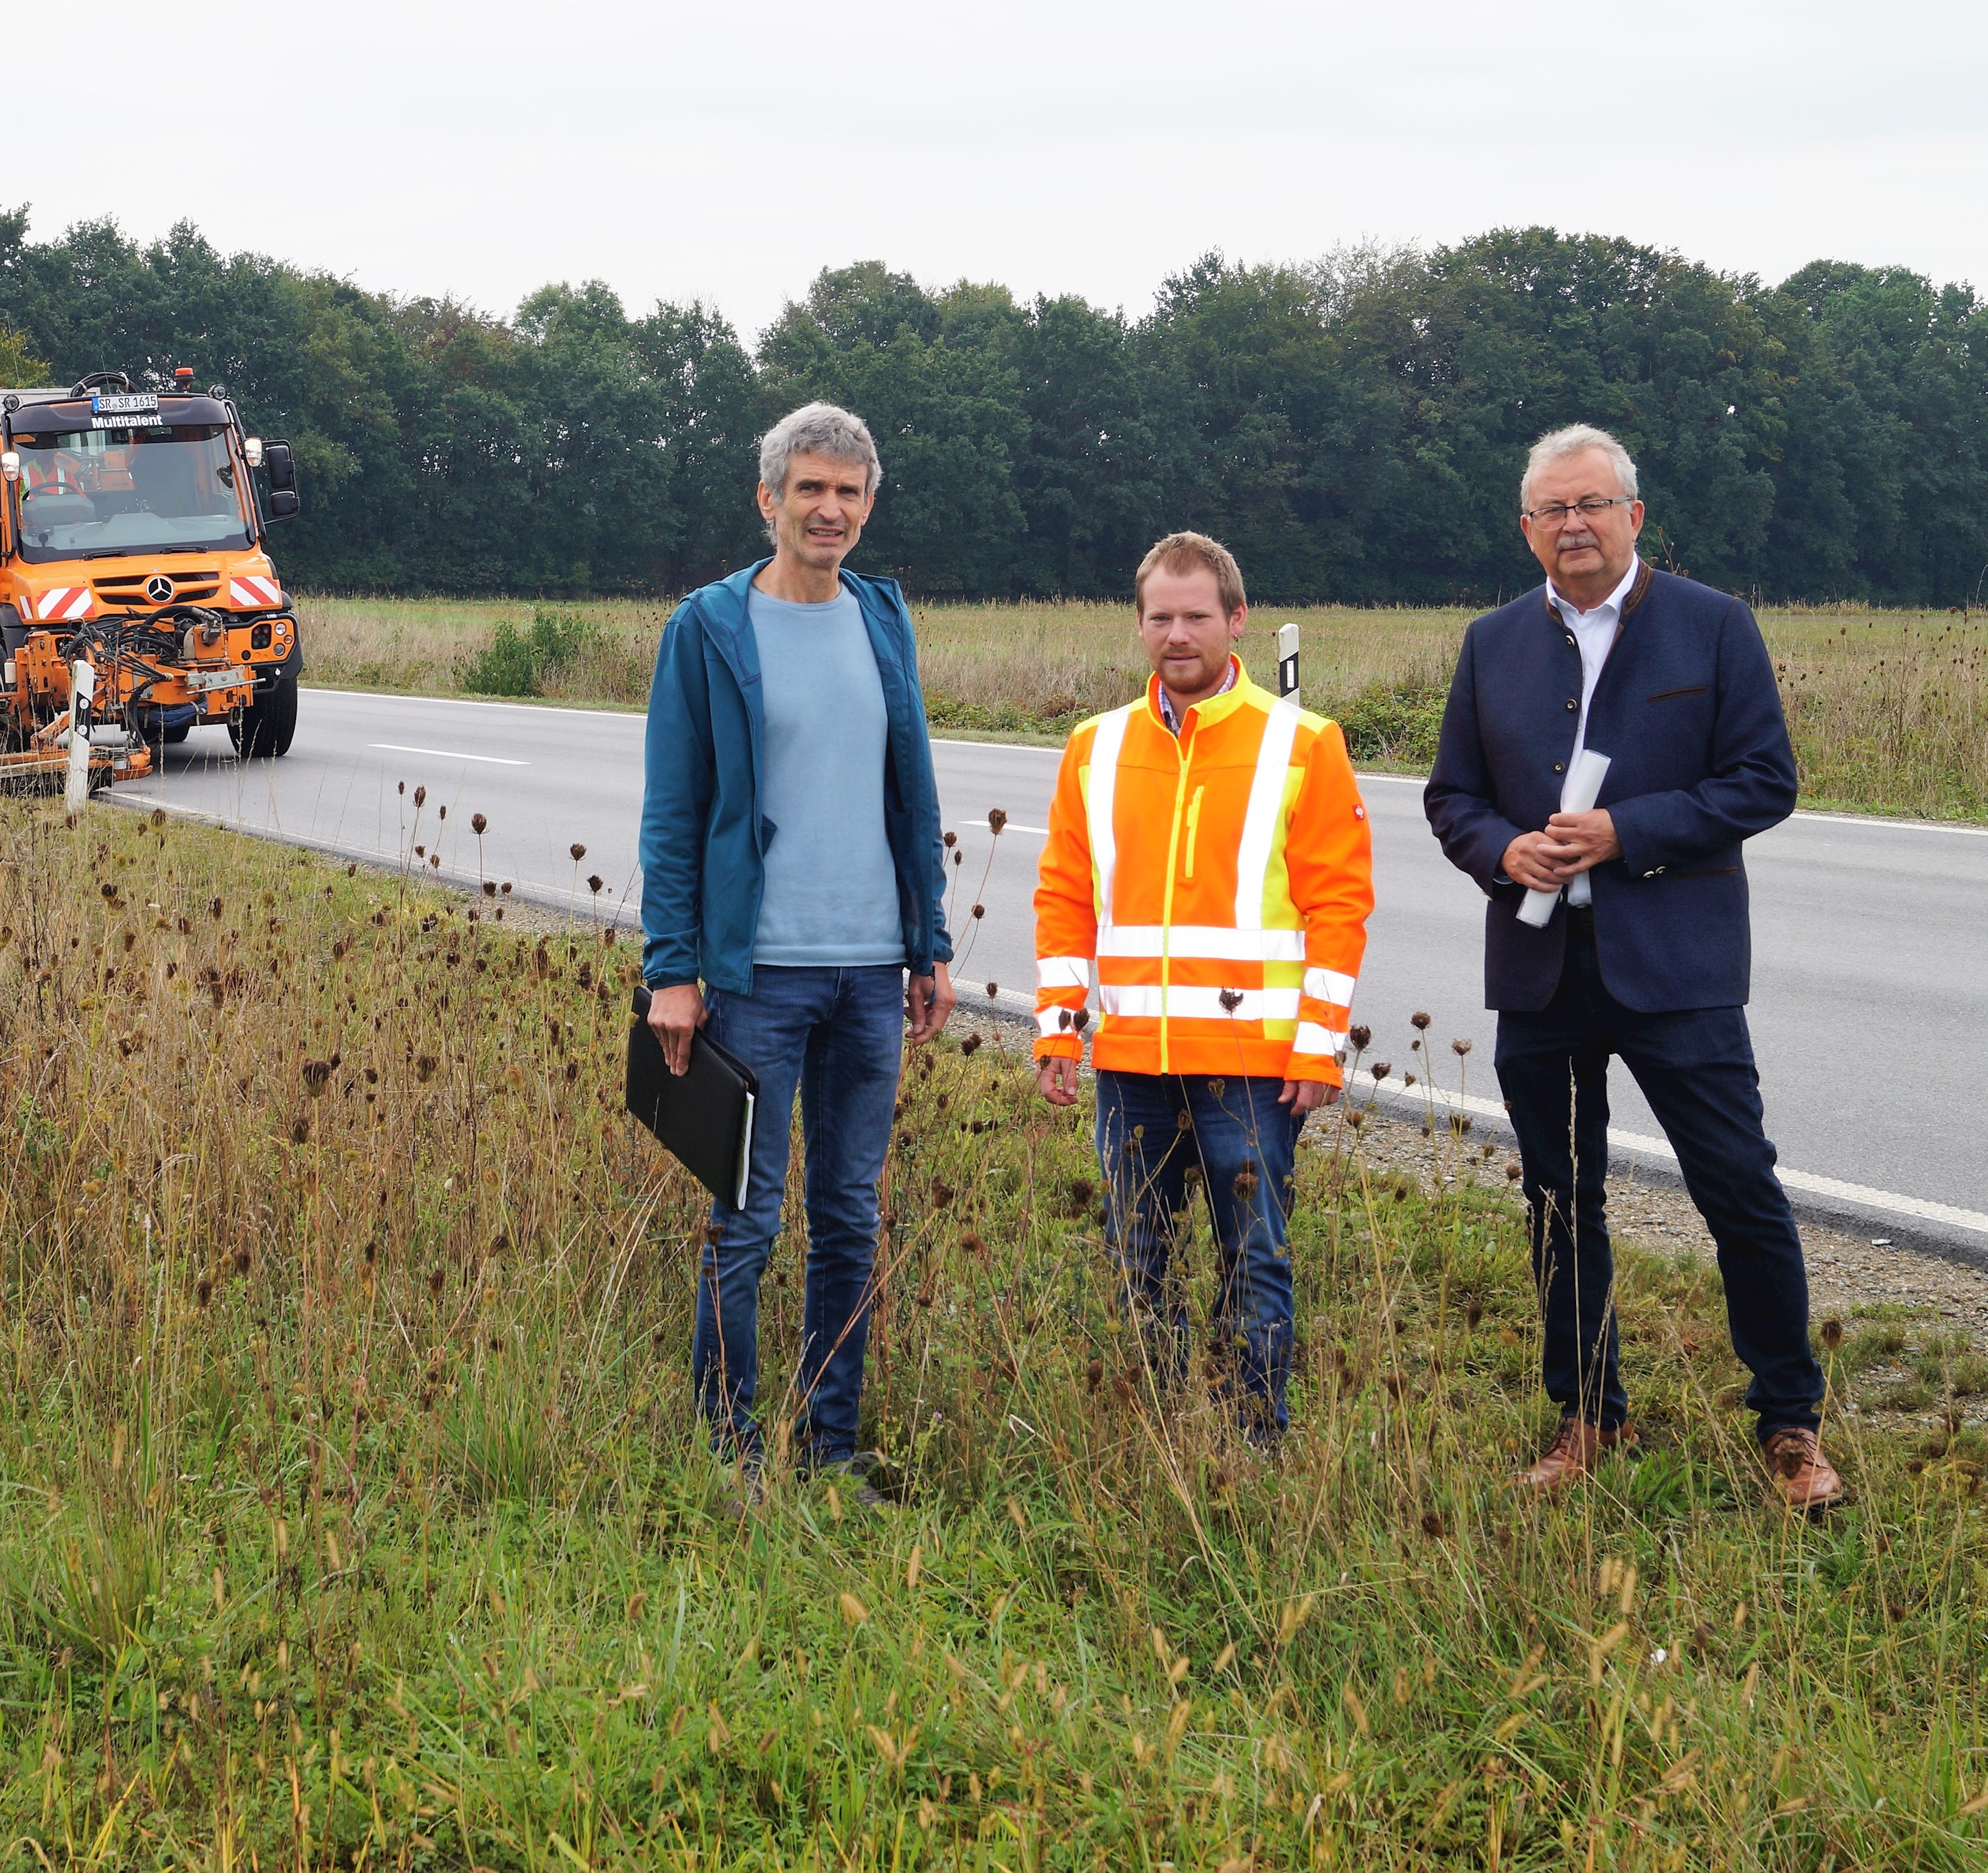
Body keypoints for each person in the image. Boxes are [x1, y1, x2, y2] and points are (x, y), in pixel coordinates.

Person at [1424, 424, 1840, 1511]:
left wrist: (1626, 831)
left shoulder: (1713, 628)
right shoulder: (1491, 643)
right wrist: (1499, 850)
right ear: (1527, 529)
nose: (1573, 525)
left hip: (1679, 970)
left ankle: (1789, 1422)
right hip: (1542, 970)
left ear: (1634, 516)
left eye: (1592, 505)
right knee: (1563, 1202)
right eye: (1552, 511)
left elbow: (1764, 781)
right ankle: (1588, 1415)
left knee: (1737, 1187)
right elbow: (1450, 799)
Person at [638, 402, 955, 1510]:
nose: (831, 509)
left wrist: (930, 942)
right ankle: (729, 1456)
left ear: (869, 507)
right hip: (753, 978)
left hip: (871, 971)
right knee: (747, 1218)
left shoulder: (883, 618)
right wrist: (671, 971)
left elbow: (910, 790)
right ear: (768, 499)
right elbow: (675, 813)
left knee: (852, 1218)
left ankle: (830, 1447)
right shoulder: (709, 629)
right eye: (810, 489)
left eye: (850, 492)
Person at [1031, 532, 1373, 1441]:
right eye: (1160, 617)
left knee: (1254, 1259)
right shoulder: (1093, 747)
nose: (1177, 634)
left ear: (1236, 621)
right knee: (1136, 1254)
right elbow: (1065, 896)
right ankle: (1153, 1433)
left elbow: (1338, 909)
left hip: (1256, 1067)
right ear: (1139, 625)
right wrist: (1060, 1028)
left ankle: (1254, 1438)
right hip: (1133, 1061)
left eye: (1195, 616)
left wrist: (1318, 1045)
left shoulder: (1305, 744)